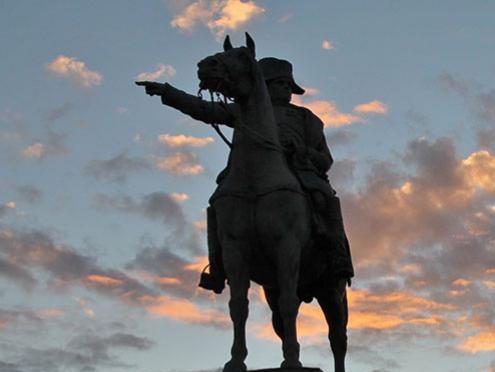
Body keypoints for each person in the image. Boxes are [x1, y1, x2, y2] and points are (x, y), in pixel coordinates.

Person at [137, 58, 354, 294]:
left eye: (287, 84)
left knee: (325, 198)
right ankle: (217, 267)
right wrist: (168, 93)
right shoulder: (244, 110)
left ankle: (337, 255)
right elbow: (204, 109)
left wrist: (301, 150)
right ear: (264, 86)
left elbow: (325, 160)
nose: (284, 89)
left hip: (300, 171)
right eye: (278, 83)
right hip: (249, 175)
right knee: (218, 203)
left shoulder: (307, 118)